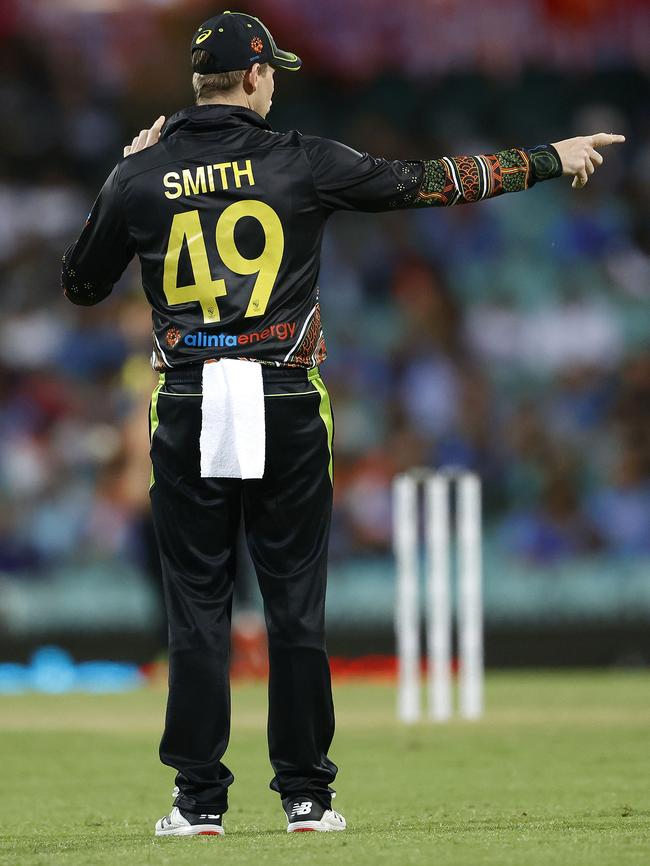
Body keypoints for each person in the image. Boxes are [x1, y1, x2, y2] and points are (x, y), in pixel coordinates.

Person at [61, 9, 624, 837]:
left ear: (197, 81)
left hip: (186, 398)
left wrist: (130, 168)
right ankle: (305, 797)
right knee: (292, 604)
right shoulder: (301, 160)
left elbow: (80, 282)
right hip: (286, 394)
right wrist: (546, 158)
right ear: (253, 76)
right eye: (272, 70)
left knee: (197, 608)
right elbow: (425, 181)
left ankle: (198, 803)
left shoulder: (142, 174)